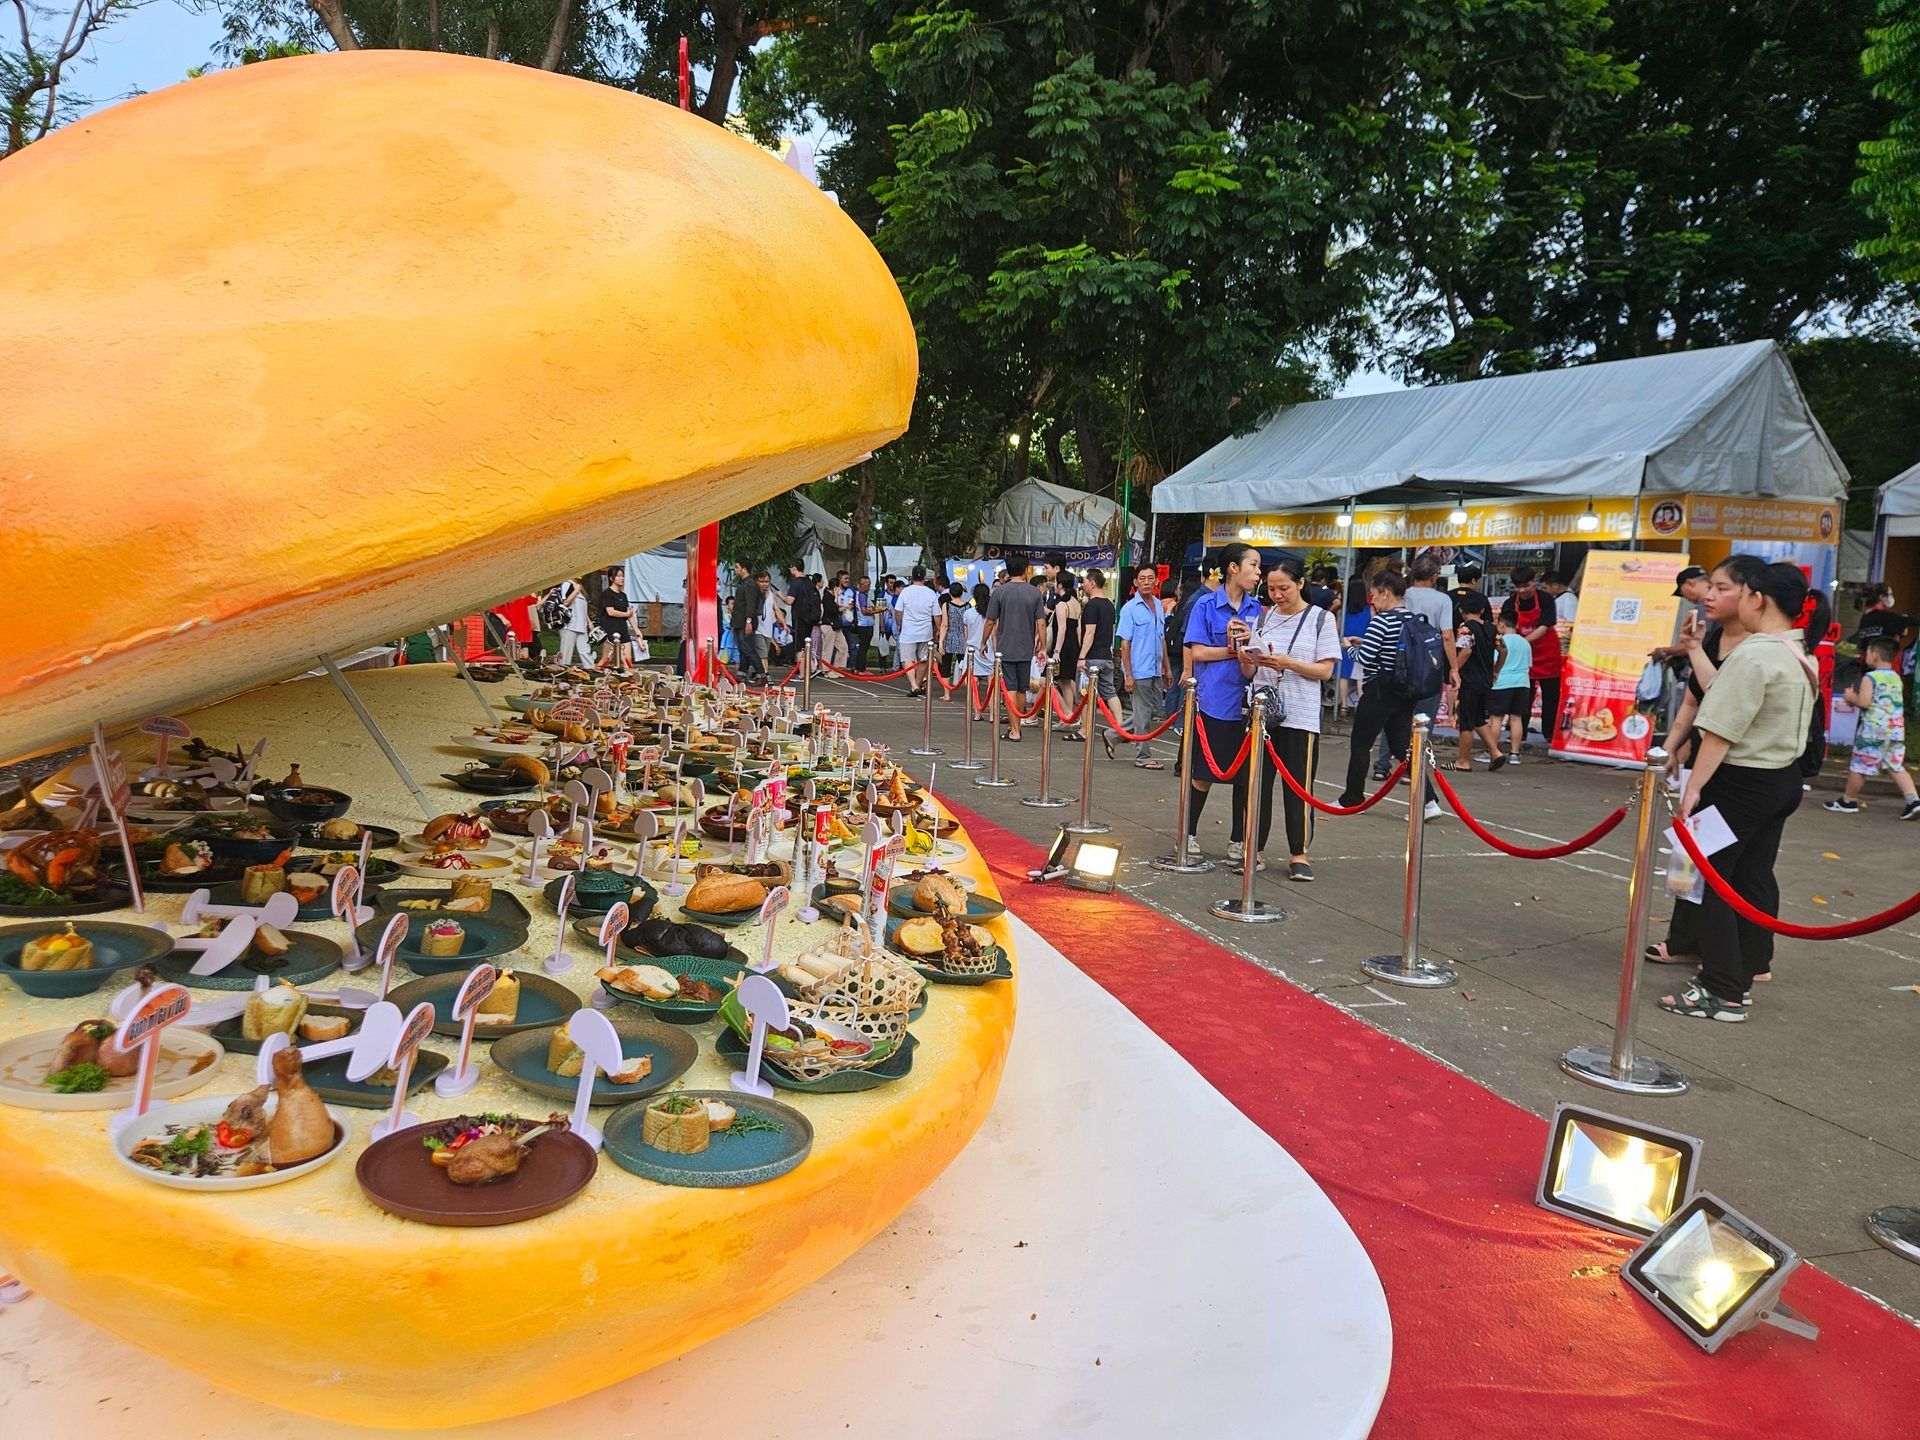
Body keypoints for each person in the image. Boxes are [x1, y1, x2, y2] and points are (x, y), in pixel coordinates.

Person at [1658, 561, 1817, 1024]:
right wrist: (1693, 648)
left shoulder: (1754, 654)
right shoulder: (1792, 648)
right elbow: (1724, 693)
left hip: (1741, 782)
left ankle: (1721, 990)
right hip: (1779, 779)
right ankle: (1743, 974)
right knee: (1747, 879)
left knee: (1712, 883)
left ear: (1758, 599)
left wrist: (1694, 789)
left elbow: (1721, 730)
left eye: (1737, 590)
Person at [1646, 555, 1760, 969]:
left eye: (1721, 588)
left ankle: (1740, 962)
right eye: (1709, 586)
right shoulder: (1713, 637)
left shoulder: (1757, 648)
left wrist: (1692, 649)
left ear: (1753, 596)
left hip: (1736, 769)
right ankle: (1686, 941)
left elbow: (1721, 698)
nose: (1708, 595)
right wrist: (1671, 748)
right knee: (1689, 862)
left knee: (1731, 867)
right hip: (1701, 760)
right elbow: (1693, 700)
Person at [1239, 559, 1340, 879]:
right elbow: (1250, 673)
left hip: (1301, 715)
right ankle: (1253, 849)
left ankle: (1300, 853)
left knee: (1298, 786)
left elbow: (1325, 671)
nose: (1277, 594)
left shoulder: (1320, 619)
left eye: (1283, 587)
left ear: (1300, 584)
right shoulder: (1264, 619)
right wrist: (1246, 657)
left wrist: (1289, 663)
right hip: (1263, 714)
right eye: (1271, 588)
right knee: (1257, 785)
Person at [1180, 542, 1264, 860]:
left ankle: (1238, 840)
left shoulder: (1257, 611)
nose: (1258, 572)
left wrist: (1249, 648)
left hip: (1248, 703)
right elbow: (1198, 651)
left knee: (1246, 775)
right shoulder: (1205, 606)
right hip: (1213, 700)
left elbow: (1259, 654)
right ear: (1233, 568)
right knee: (1203, 773)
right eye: (1253, 565)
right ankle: (1187, 832)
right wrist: (1233, 648)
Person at [1825, 638, 1920, 818]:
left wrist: (1851, 697)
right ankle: (1913, 800)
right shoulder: (1896, 677)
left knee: (1859, 765)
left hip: (1873, 730)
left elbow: (1864, 702)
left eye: (1867, 653)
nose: (1865, 656)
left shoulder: (1871, 678)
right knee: (1896, 765)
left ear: (1875, 655)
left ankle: (1848, 800)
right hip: (1895, 730)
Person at [982, 557, 1047, 742]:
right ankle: (1016, 726)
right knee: (1021, 688)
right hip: (1026, 647)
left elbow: (990, 621)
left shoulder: (1000, 592)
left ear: (1008, 571)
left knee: (1010, 687)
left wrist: (982, 642)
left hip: (1006, 647)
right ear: (1026, 570)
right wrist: (1043, 646)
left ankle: (1015, 729)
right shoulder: (1034, 593)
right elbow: (1041, 623)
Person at [1498, 567, 1563, 747]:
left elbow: (1544, 626)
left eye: (1526, 586)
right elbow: (1506, 628)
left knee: (1551, 697)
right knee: (1522, 697)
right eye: (1518, 587)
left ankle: (1550, 735)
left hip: (1547, 654)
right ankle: (1520, 734)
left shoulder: (1546, 599)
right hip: (1523, 658)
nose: (1522, 590)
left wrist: (1523, 641)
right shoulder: (1510, 603)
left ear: (1534, 581)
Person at [1113, 565, 1167, 769]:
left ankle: (1114, 734)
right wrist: (1128, 675)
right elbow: (1124, 644)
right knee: (1143, 713)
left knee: (1152, 711)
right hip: (1139, 669)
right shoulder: (1129, 609)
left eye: (1150, 578)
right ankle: (1143, 756)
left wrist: (1167, 668)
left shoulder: (1159, 605)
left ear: (1156, 581)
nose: (1146, 582)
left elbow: (1161, 639)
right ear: (1135, 582)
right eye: (1142, 578)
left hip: (1155, 669)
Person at [1449, 591, 1508, 771]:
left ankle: (1463, 761)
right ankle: (1495, 752)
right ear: (1482, 610)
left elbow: (1466, 651)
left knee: (1466, 721)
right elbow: (1504, 651)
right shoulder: (1492, 628)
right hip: (1485, 681)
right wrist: (1495, 669)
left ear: (1461, 610)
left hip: (1470, 681)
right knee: (1478, 719)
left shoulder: (1465, 628)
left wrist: (1455, 670)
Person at [1077, 569, 1118, 756]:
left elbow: (1090, 633)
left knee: (1084, 695)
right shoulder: (1110, 605)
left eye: (1084, 581)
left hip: (1092, 657)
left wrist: (1082, 656)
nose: (1083, 585)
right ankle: (1120, 729)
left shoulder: (1092, 606)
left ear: (1092, 583)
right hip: (1107, 656)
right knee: (1109, 692)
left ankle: (1085, 729)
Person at [1489, 610, 1533, 762]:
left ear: (1501, 624)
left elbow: (1494, 662)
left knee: (1496, 718)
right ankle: (1515, 754)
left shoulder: (1500, 641)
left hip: (1502, 682)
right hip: (1523, 683)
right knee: (1516, 718)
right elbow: (1529, 665)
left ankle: (1493, 752)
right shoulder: (1525, 642)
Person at [896, 566, 944, 697]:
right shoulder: (930, 593)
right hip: (925, 631)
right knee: (923, 659)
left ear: (912, 577)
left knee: (907, 659)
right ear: (924, 577)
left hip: (908, 631)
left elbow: (898, 611)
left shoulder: (905, 592)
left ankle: (914, 684)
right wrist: (939, 629)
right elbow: (937, 615)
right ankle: (917, 683)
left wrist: (899, 624)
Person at [1049, 570, 1084, 737]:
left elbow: (1061, 629)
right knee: (1066, 682)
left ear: (1060, 585)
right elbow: (1078, 628)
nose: (1054, 585)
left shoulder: (1061, 604)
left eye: (1055, 582)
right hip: (1073, 646)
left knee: (1049, 681)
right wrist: (1079, 649)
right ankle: (1068, 717)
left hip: (1062, 646)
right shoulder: (1076, 603)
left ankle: (1067, 715)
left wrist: (1056, 650)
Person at [786, 565, 821, 677]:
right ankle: (810, 667)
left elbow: (790, 601)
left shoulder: (796, 583)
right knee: (806, 645)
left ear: (794, 568)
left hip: (799, 618)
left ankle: (802, 674)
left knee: (799, 647)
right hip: (810, 618)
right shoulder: (810, 582)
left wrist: (781, 596)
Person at [939, 581, 972, 702]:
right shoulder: (968, 606)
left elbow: (944, 625)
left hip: (949, 638)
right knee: (966, 667)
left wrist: (941, 642)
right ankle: (970, 692)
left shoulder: (946, 605)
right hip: (964, 639)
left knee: (946, 667)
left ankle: (947, 693)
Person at [964, 583, 993, 719]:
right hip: (989, 650)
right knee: (991, 682)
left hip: (972, 651)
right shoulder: (993, 613)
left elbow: (966, 635)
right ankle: (993, 714)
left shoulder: (968, 613)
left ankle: (976, 713)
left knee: (973, 682)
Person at [598, 568, 635, 671]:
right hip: (610, 630)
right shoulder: (607, 593)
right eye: (618, 576)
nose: (621, 578)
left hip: (623, 630)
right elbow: (611, 611)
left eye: (622, 576)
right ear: (611, 578)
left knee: (627, 660)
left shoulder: (623, 595)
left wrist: (637, 631)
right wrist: (626, 614)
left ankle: (628, 682)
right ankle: (597, 676)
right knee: (607, 659)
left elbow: (629, 614)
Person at [557, 576, 594, 667]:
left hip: (582, 626)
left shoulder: (580, 587)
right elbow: (565, 602)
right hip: (570, 625)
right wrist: (576, 590)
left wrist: (589, 622)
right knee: (566, 653)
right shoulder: (567, 584)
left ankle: (590, 670)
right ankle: (563, 672)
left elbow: (582, 609)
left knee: (585, 651)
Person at [847, 575, 877, 672]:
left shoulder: (859, 595)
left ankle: (859, 668)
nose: (869, 587)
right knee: (863, 648)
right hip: (864, 625)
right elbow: (864, 611)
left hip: (864, 624)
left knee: (863, 648)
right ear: (862, 585)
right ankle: (861, 669)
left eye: (869, 584)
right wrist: (876, 611)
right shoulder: (862, 595)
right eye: (867, 584)